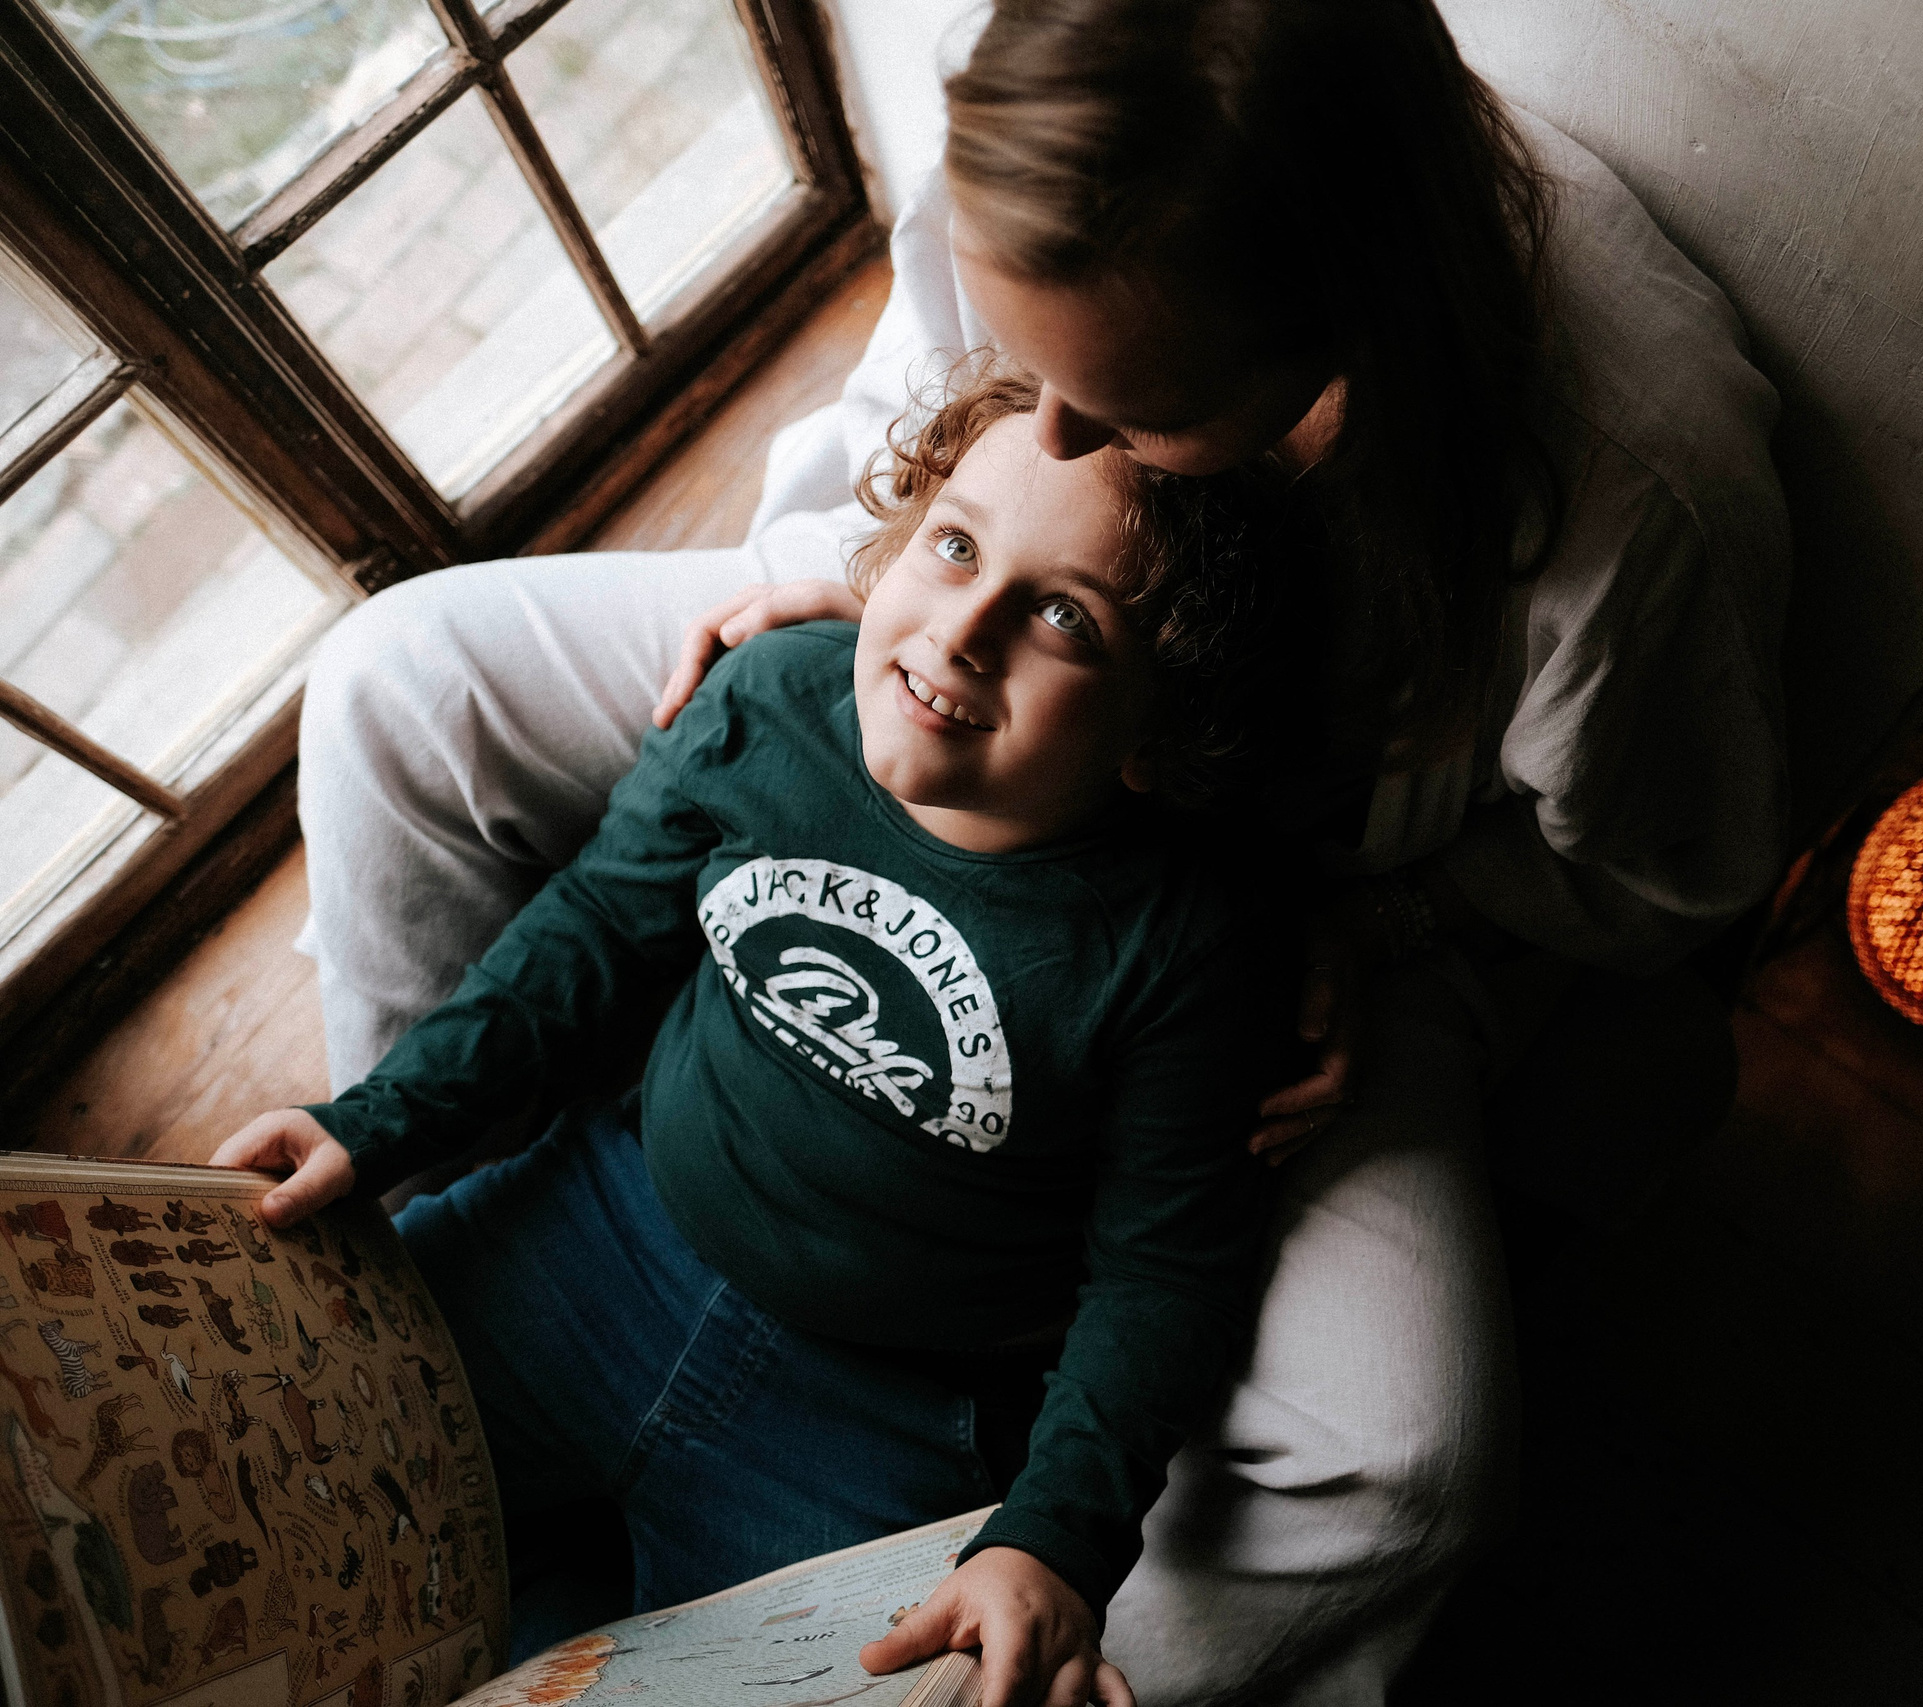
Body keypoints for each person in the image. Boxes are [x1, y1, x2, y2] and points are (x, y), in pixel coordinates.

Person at [295, 1, 1792, 1699]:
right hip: (935, 663)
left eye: (1131, 405)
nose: (1060, 430)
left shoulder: (1633, 502)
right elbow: (956, 428)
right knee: (398, 682)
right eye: (1040, 365)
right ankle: (422, 1223)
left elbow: (1661, 882)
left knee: (1410, 1467)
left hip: (1355, 907)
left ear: (1333, 340)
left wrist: (1387, 924)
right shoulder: (1049, 142)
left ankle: (935, 1639)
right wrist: (887, 579)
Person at [219, 365, 1315, 1706]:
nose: (964, 631)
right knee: (261, 1490)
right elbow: (588, 937)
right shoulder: (771, 703)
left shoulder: (1187, 942)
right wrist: (379, 1120)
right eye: (954, 546)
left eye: (1062, 617)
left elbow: (1160, 1277)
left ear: (1162, 725)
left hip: (877, 1424)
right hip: (592, 1243)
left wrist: (1055, 1542)